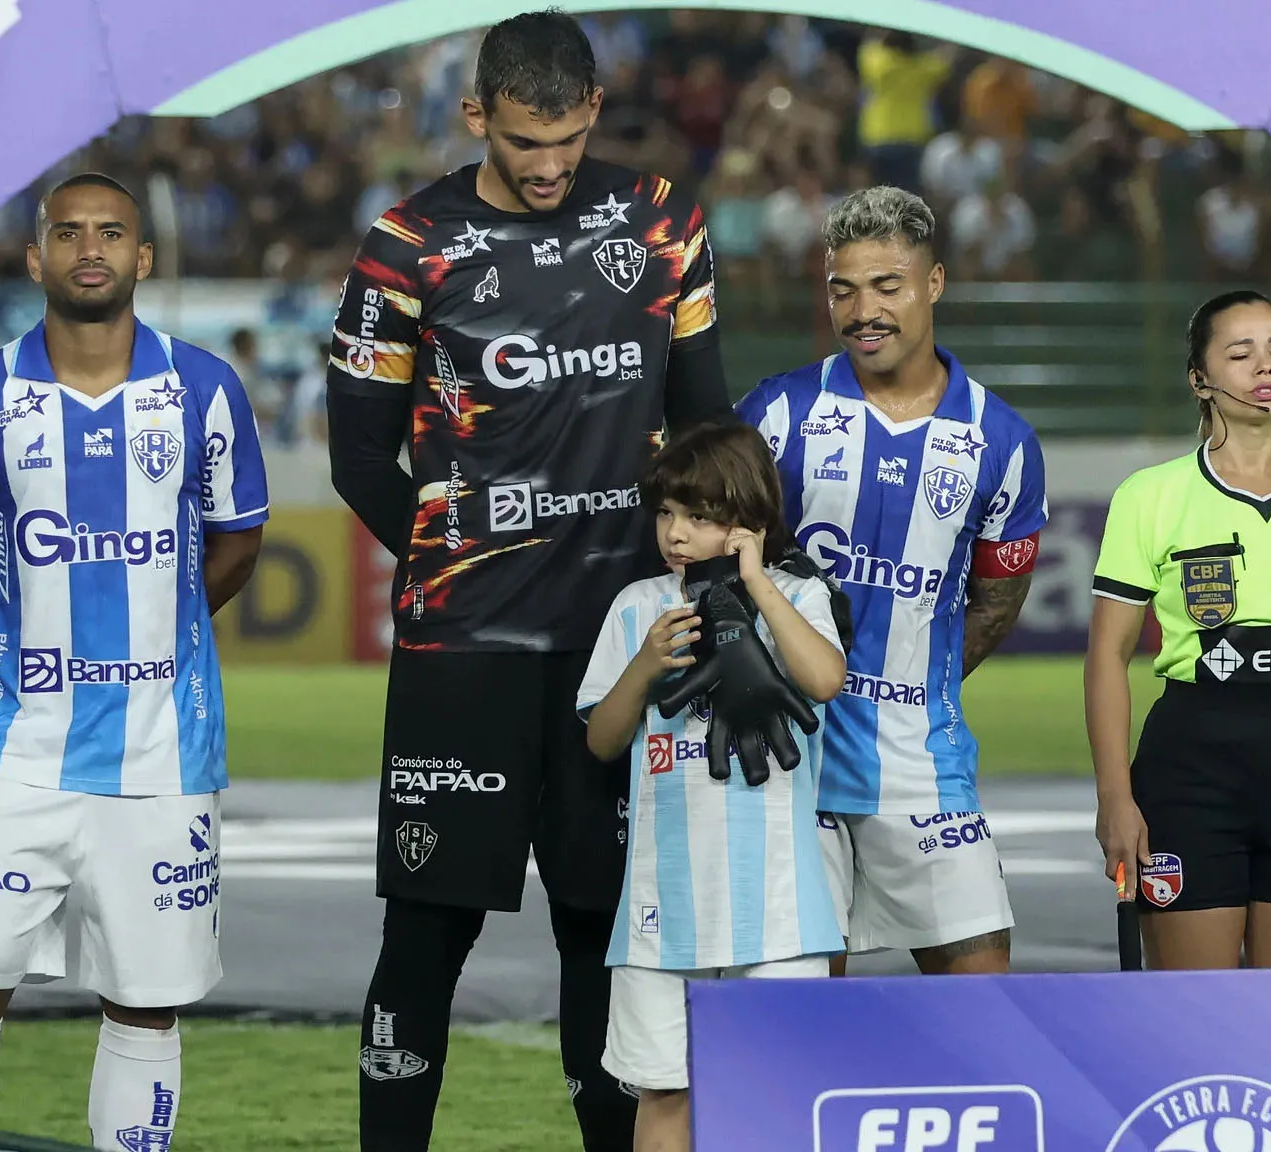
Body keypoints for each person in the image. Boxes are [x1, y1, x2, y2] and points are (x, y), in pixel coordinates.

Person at [324, 9, 733, 1149]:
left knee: (604, 927)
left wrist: (718, 595)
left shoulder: (662, 225)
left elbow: (704, 426)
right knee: (426, 927)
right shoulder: (403, 245)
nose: (547, 168)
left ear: (594, 111)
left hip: (622, 646)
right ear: (475, 118)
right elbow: (359, 456)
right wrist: (454, 554)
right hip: (465, 648)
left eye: (563, 143)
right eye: (520, 145)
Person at [0, 172, 267, 1146]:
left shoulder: (202, 390)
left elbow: (237, 537)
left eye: (112, 233)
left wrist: (166, 627)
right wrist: (19, 648)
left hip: (163, 759)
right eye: (69, 234)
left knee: (145, 1008)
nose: (90, 249)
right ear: (36, 258)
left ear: (142, 258)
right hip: (17, 752)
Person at [735, 186, 1048, 976]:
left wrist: (908, 685)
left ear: (932, 284)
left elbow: (995, 604)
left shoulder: (1000, 442)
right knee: (802, 1020)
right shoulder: (776, 414)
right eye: (842, 289)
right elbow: (712, 566)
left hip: (921, 763)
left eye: (886, 286)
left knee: (981, 1006)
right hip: (786, 762)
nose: (861, 310)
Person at [1087, 290, 1271, 968]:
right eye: (1240, 352)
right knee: (1193, 1016)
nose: (1265, 366)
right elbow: (1106, 656)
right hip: (1190, 767)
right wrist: (1114, 798)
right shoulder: (1149, 496)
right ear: (1199, 378)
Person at [577, 422, 846, 1152]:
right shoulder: (639, 605)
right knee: (664, 1088)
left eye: (698, 516)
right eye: (666, 513)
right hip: (663, 902)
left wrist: (757, 582)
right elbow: (601, 740)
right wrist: (643, 666)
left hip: (781, 900)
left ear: (748, 520)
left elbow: (824, 679)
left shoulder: (794, 594)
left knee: (779, 1085)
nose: (675, 532)